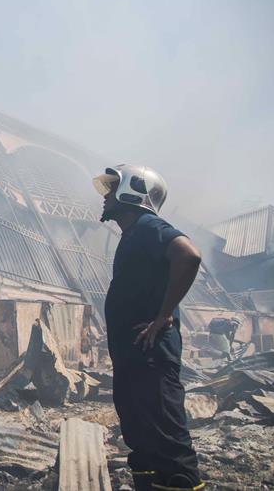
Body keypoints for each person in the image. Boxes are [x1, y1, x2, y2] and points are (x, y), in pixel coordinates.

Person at [93, 165, 204, 491]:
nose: (105, 197)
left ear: (133, 190)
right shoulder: (134, 234)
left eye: (112, 189)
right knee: (142, 439)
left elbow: (189, 255)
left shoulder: (147, 225)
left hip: (152, 354)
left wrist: (164, 316)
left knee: (168, 442)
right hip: (136, 355)